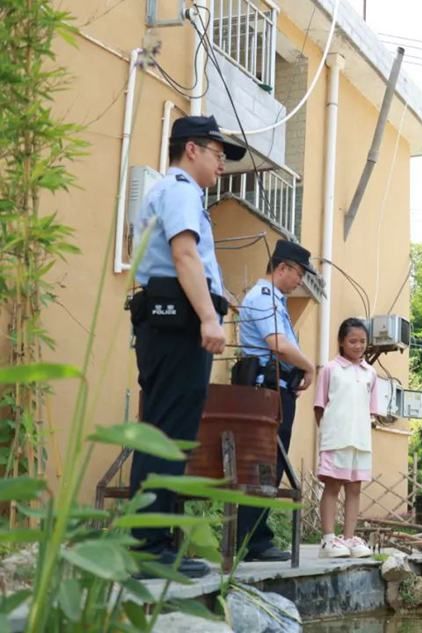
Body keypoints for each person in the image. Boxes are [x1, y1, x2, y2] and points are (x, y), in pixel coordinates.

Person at [128, 115, 246, 578]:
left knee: (164, 430)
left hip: (167, 323)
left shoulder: (172, 191)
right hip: (177, 325)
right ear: (191, 149)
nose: (222, 165)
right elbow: (183, 254)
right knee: (168, 433)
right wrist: (209, 318)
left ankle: (154, 540)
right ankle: (148, 547)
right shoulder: (180, 191)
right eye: (218, 154)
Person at [236, 239, 317, 561]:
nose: (300, 281)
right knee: (263, 464)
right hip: (266, 392)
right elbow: (278, 344)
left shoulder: (275, 300)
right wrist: (309, 366)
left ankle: (255, 536)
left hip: (277, 391)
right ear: (283, 267)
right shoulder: (263, 297)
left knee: (271, 464)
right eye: (299, 274)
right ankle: (251, 540)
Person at [312, 318, 381, 558]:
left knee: (354, 489)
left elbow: (371, 411)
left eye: (362, 341)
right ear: (341, 342)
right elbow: (319, 407)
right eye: (352, 341)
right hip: (335, 439)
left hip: (360, 441)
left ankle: (349, 538)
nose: (358, 346)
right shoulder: (330, 369)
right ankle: (328, 539)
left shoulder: (371, 373)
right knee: (332, 486)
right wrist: (328, 434)